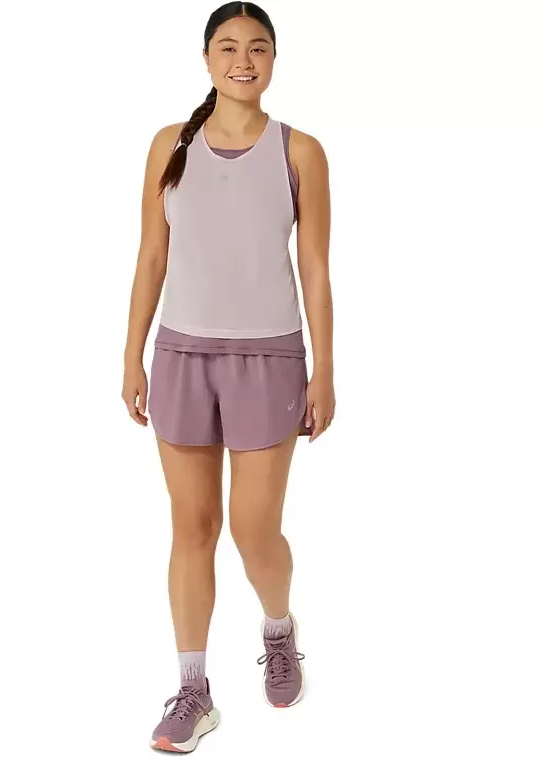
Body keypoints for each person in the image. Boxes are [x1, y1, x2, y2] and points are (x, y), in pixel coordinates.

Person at [121, 1, 335, 754]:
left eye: (258, 48)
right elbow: (151, 255)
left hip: (269, 358)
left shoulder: (301, 151)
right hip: (182, 356)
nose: (244, 61)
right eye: (228, 47)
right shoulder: (169, 145)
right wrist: (132, 353)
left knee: (252, 528)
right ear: (207, 59)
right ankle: (193, 689)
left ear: (273, 59)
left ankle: (278, 629)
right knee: (191, 527)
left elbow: (316, 268)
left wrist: (325, 371)